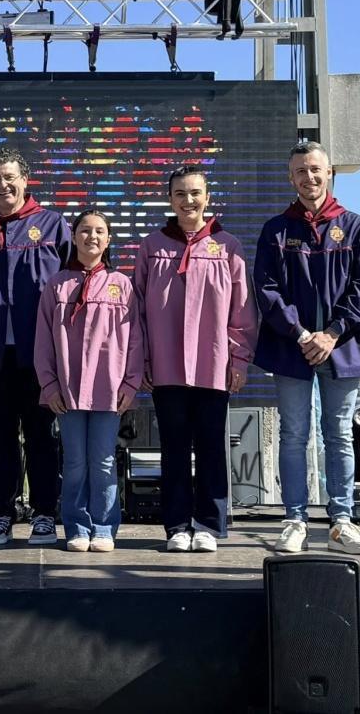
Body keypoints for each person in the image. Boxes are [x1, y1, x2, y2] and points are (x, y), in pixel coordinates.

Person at [254, 141, 360, 556]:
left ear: (329, 174)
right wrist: (303, 334)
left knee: (339, 436)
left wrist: (331, 334)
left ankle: (342, 521)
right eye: (299, 172)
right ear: (290, 178)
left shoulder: (356, 226)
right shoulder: (276, 230)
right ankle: (294, 519)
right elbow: (267, 290)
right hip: (292, 348)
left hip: (343, 348)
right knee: (293, 435)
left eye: (315, 170)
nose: (308, 178)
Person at [135, 166, 257, 553]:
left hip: (211, 365)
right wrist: (142, 361)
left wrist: (238, 360)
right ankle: (175, 525)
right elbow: (136, 310)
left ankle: (208, 523)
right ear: (169, 199)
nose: (188, 201)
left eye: (195, 193)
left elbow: (242, 310)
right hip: (166, 365)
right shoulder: (152, 246)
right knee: (172, 448)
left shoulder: (228, 247)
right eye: (180, 194)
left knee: (209, 445)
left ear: (207, 197)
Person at [0, 148, 71, 546]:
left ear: (25, 179)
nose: (2, 186)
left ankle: (43, 514)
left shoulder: (53, 225)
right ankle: (0, 513)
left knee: (41, 434)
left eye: (9, 177)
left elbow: (74, 287)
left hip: (39, 354)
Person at [35, 209, 143, 552]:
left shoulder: (122, 285)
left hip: (108, 390)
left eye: (99, 231)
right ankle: (77, 526)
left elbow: (136, 340)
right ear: (74, 237)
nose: (91, 237)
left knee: (104, 460)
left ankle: (105, 527)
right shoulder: (57, 284)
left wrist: (130, 384)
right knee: (75, 461)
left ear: (108, 239)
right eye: (84, 230)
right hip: (67, 390)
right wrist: (49, 385)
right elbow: (43, 341)